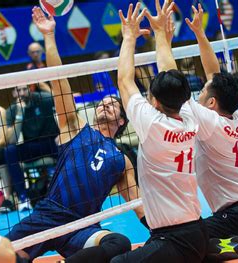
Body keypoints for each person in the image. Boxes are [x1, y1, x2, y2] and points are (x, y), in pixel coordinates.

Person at [8, 7, 145, 263]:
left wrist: (162, 232)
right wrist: (49, 36)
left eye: (113, 103)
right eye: (102, 102)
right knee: (2, 256)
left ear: (122, 120)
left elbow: (136, 203)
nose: (105, 104)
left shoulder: (121, 160)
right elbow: (59, 81)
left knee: (119, 243)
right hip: (47, 218)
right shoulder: (75, 128)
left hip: (82, 227)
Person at [112, 1, 208, 262]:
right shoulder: (188, 116)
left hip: (174, 239)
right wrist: (160, 35)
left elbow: (124, 80)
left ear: (154, 100)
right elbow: (170, 72)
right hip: (195, 231)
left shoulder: (152, 124)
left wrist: (129, 36)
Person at [186, 4, 238, 260]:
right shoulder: (232, 116)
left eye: (202, 92)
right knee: (191, 236)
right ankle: (233, 241)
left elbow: (174, 87)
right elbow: (214, 74)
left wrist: (162, 37)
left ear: (211, 103)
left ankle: (234, 246)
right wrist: (200, 34)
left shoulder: (210, 123)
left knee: (184, 241)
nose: (199, 95)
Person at [5, 85, 59, 211]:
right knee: (9, 151)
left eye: (25, 89)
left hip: (51, 142)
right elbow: (12, 140)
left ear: (30, 89)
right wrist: (19, 114)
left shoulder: (44, 99)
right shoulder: (12, 110)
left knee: (67, 145)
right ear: (13, 93)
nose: (23, 93)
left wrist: (63, 133)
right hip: (32, 146)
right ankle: (23, 198)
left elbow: (64, 101)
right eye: (19, 90)